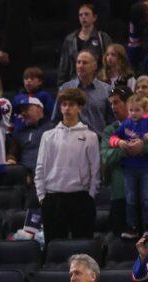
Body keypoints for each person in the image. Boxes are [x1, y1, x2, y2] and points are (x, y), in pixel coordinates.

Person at [36, 89, 100, 241]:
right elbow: (40, 168)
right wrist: (42, 197)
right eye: (63, 105)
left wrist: (91, 196)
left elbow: (95, 170)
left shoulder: (90, 136)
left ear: (79, 108)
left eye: (71, 105)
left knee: (83, 244)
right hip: (53, 198)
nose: (66, 108)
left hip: (81, 198)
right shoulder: (48, 136)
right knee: (54, 246)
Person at [110, 94, 148, 236]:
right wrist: (120, 143)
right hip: (129, 169)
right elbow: (112, 138)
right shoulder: (126, 124)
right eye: (131, 110)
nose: (133, 113)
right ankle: (132, 228)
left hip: (145, 169)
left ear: (145, 110)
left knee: (145, 199)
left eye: (137, 110)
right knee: (130, 200)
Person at [55, 51, 111, 134]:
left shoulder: (107, 90)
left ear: (94, 66)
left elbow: (112, 121)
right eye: (78, 62)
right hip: (70, 140)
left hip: (98, 141)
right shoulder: (65, 88)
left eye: (85, 63)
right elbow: (56, 118)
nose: (80, 66)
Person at [58, 4, 112, 85]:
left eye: (86, 14)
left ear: (94, 17)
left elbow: (109, 63)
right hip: (75, 83)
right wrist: (61, 86)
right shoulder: (70, 39)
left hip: (98, 83)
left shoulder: (103, 38)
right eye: (81, 15)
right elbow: (64, 67)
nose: (83, 17)